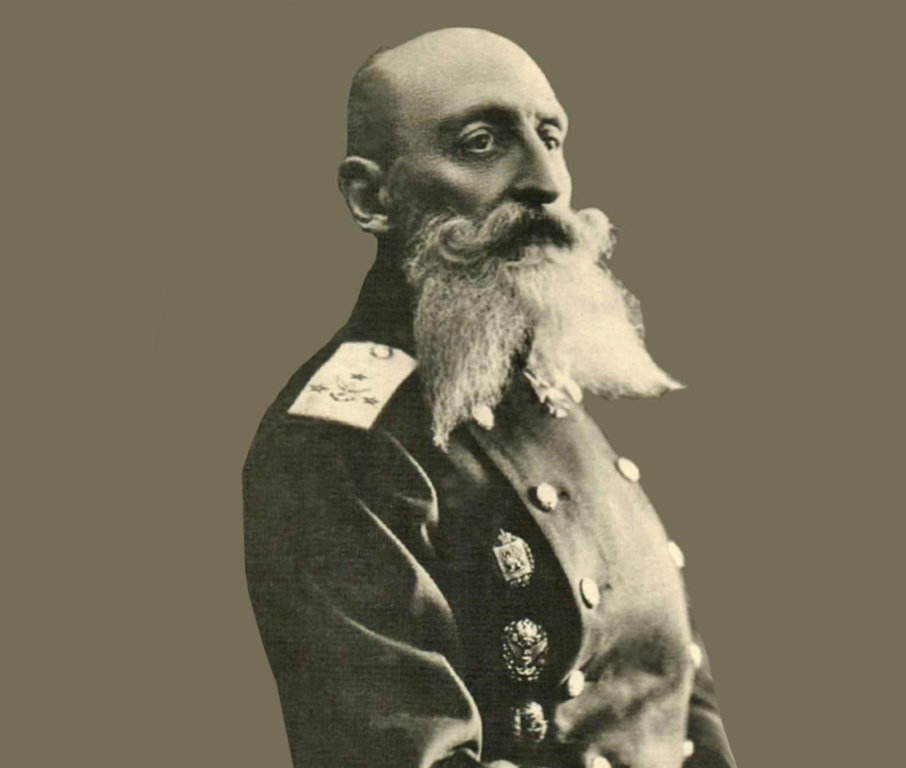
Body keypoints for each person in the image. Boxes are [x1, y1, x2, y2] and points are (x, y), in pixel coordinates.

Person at [243, 27, 737, 768]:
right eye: (482, 143)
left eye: (551, 137)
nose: (545, 181)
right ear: (371, 197)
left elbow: (675, 700)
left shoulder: (540, 392)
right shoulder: (337, 442)